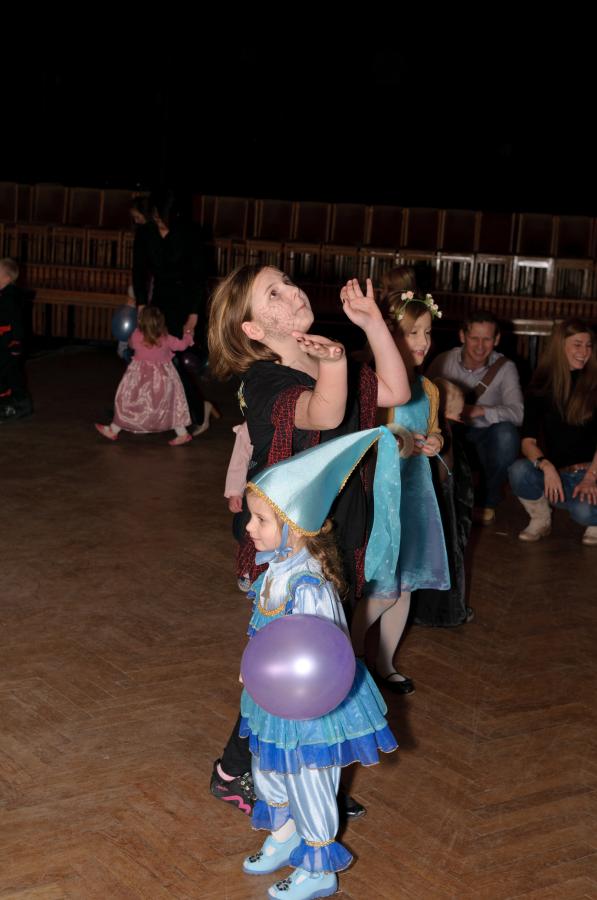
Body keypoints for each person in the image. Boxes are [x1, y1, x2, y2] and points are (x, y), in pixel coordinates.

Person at [207, 265, 409, 818]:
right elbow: (325, 410)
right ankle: (238, 771)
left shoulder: (328, 358)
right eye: (273, 293)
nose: (293, 291)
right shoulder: (264, 381)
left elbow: (397, 390)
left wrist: (372, 324)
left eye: (289, 282)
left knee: (318, 663)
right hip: (288, 553)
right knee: (286, 666)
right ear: (253, 329)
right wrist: (336, 363)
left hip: (335, 540)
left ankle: (305, 781)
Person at [239, 427, 399, 899]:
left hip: (313, 709)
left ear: (295, 528)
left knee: (308, 780)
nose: (249, 528)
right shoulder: (274, 570)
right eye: (251, 517)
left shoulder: (309, 587)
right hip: (273, 698)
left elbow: (324, 655)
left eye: (260, 519)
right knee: (268, 769)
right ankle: (285, 834)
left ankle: (317, 866)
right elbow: (264, 634)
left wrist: (296, 687)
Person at [351, 292, 449, 693]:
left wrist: (436, 441)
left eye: (427, 332)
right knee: (382, 589)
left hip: (416, 495)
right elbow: (360, 440)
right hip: (383, 494)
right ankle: (351, 657)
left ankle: (385, 662)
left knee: (405, 584)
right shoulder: (373, 385)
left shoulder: (429, 388)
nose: (423, 341)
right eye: (412, 333)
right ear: (389, 336)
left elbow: (434, 429)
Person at [426, 310, 523, 525]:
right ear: (462, 336)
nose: (480, 346)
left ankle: (488, 499)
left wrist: (479, 410)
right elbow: (425, 399)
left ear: (496, 339)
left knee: (507, 435)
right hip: (452, 432)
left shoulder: (506, 368)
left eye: (487, 339)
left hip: (487, 434)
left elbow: (518, 413)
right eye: (474, 338)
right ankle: (445, 500)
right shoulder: (443, 360)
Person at [133, 189, 218, 434]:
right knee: (160, 359)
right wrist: (141, 305)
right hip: (158, 302)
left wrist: (193, 314)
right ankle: (186, 411)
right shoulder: (146, 232)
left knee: (171, 361)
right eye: (156, 215)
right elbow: (138, 271)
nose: (158, 220)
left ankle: (195, 410)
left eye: (162, 216)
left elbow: (198, 277)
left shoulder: (189, 233)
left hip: (185, 302)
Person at [508, 318, 597, 546]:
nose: (584, 352)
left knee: (584, 512)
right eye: (577, 345)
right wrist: (546, 467)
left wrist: (591, 477)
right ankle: (541, 519)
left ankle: (594, 520)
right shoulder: (541, 386)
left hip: (592, 472)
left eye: (588, 346)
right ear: (560, 346)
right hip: (560, 475)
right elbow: (527, 442)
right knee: (519, 470)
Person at [95, 306, 194, 446]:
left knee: (128, 403)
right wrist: (188, 335)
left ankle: (113, 429)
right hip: (163, 380)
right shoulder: (166, 338)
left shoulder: (137, 335)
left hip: (139, 380)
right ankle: (182, 433)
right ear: (161, 322)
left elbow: (131, 344)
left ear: (140, 322)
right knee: (169, 406)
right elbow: (182, 345)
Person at [0, 258, 33, 423]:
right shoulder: (3, 295)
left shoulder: (10, 297)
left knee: (8, 375)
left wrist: (16, 342)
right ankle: (18, 405)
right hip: (3, 343)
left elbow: (16, 322)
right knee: (10, 375)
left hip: (8, 344)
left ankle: (13, 406)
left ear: (7, 278)